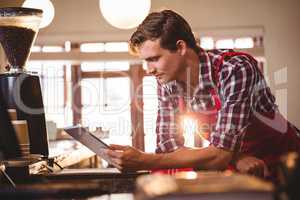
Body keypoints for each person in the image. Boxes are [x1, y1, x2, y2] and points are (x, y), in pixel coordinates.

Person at [106, 10, 300, 181]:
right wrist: (237, 157)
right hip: (245, 170)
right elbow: (169, 148)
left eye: (154, 59)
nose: (149, 70)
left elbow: (220, 155)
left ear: (181, 48)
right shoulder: (167, 81)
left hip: (290, 163)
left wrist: (144, 160)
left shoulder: (235, 69)